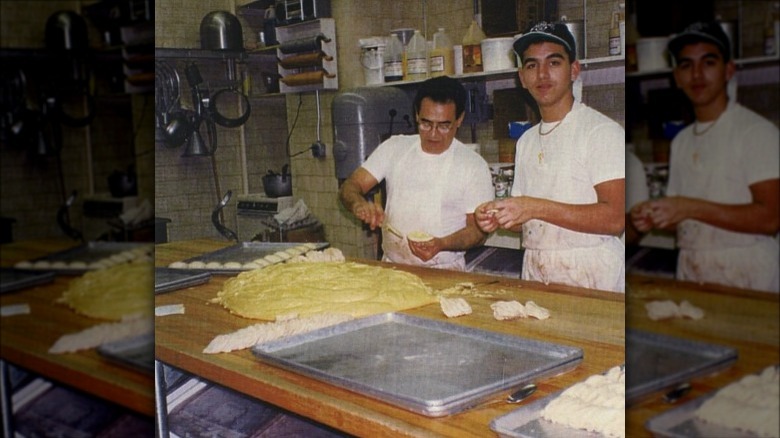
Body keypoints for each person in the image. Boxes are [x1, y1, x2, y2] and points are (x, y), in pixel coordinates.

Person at [475, 22, 626, 292]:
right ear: (522, 77)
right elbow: (528, 224)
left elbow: (616, 218)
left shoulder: (601, 132)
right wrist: (500, 217)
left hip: (592, 274)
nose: (542, 74)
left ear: (574, 70)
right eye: (532, 65)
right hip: (537, 270)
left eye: (553, 62)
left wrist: (533, 206)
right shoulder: (526, 142)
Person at [630, 21, 779, 292]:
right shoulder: (682, 142)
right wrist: (657, 217)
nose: (697, 74)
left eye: (708, 62)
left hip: (749, 274)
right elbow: (686, 223)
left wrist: (687, 206)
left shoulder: (756, 132)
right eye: (686, 65)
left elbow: (771, 219)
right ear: (676, 76)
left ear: (728, 70)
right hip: (693, 269)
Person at [339, 76, 494, 270]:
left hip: (444, 271)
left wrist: (441, 244)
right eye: (426, 123)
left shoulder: (473, 166)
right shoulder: (395, 147)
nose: (433, 134)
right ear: (416, 115)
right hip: (392, 268)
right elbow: (350, 186)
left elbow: (478, 231)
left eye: (444, 125)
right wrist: (359, 204)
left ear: (459, 119)